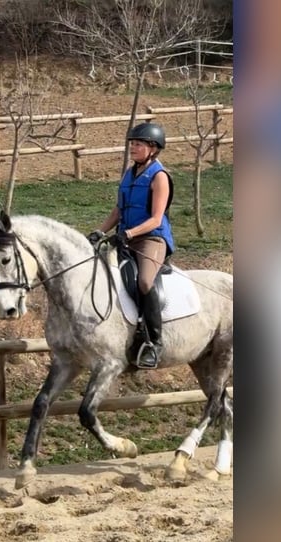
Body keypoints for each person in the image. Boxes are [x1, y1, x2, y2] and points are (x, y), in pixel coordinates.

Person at [87, 122, 175, 369]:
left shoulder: (159, 177)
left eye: (138, 144)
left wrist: (129, 233)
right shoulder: (129, 173)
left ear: (153, 148)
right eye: (132, 144)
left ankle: (154, 343)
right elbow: (119, 209)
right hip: (126, 236)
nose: (133, 148)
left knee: (145, 281)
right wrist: (99, 231)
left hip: (152, 239)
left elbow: (156, 218)